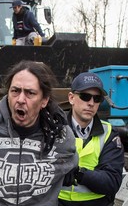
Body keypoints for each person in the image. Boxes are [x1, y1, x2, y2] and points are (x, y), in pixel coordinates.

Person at [0, 60, 78, 205]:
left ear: (44, 100)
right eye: (15, 91)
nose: (20, 99)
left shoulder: (61, 138)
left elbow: (69, 167)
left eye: (30, 93)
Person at [58, 72, 124, 206]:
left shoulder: (109, 134)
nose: (91, 103)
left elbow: (111, 182)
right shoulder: (54, 129)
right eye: (85, 96)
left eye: (97, 99)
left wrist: (79, 173)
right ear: (71, 98)